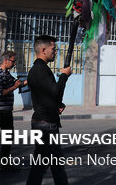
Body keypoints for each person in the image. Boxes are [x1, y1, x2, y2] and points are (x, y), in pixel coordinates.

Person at [26, 35, 71, 185]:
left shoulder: (39, 69)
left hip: (46, 121)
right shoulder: (40, 69)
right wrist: (64, 76)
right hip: (45, 125)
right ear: (43, 50)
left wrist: (56, 105)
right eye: (54, 49)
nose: (56, 52)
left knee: (55, 165)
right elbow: (56, 91)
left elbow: (47, 96)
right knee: (42, 166)